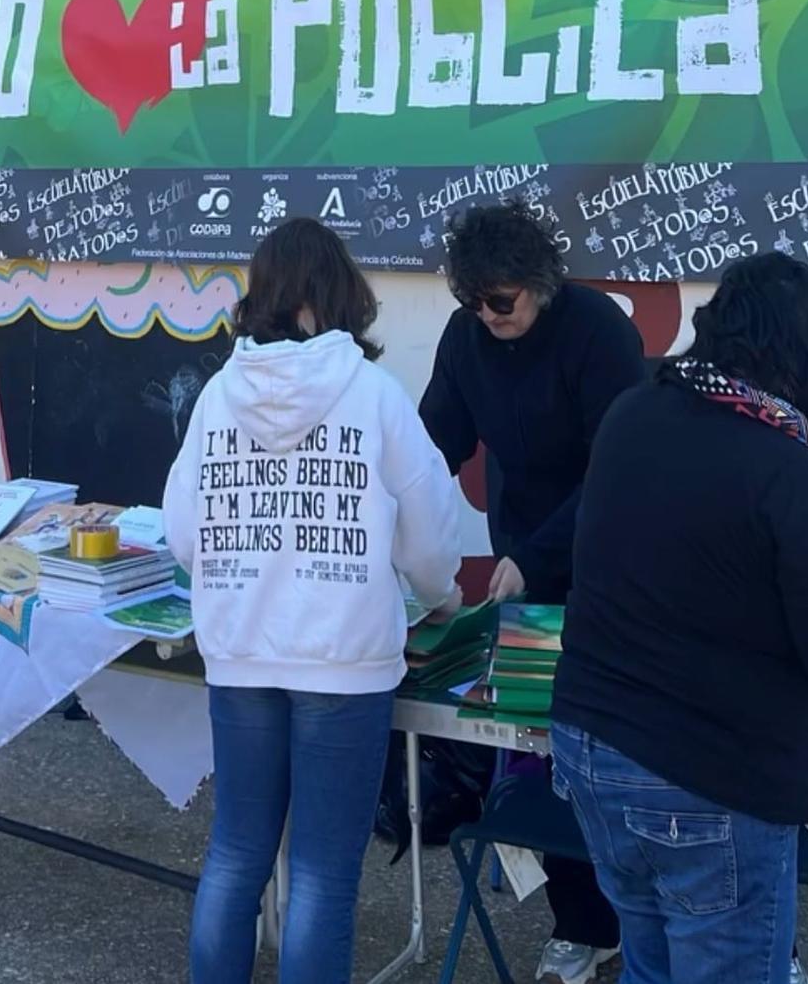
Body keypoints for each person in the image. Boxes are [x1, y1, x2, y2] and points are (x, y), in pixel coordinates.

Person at [551, 253, 808, 984]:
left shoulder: (636, 411)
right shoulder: (784, 466)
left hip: (593, 753)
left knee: (652, 964)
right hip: (708, 781)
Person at [164, 218, 463, 984]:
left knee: (236, 853)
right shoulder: (374, 396)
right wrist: (438, 596)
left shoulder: (217, 397)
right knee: (325, 877)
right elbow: (432, 538)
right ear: (343, 294)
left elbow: (182, 531)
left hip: (240, 655)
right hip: (346, 662)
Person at [419, 201, 644, 983]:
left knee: (608, 753)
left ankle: (637, 915)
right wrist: (389, 518)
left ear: (541, 283)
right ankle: (582, 923)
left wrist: (541, 555)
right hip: (523, 556)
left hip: (608, 567)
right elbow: (433, 441)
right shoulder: (469, 337)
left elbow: (617, 471)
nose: (486, 315)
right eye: (471, 302)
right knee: (540, 748)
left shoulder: (597, 333)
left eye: (501, 301)